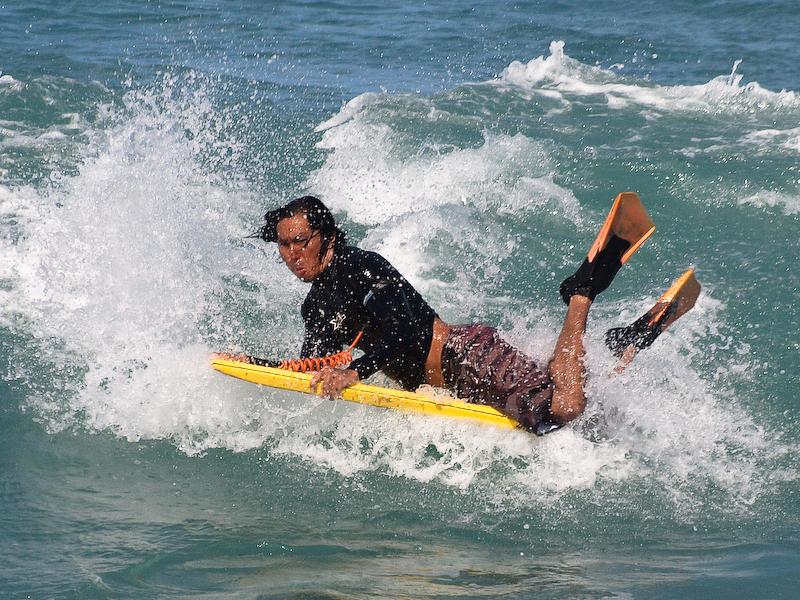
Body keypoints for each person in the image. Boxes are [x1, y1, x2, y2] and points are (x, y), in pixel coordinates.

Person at [218, 195, 629, 434]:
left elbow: (406, 329)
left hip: (463, 356)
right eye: (283, 245)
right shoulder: (317, 306)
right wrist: (254, 364)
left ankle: (581, 293)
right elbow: (309, 366)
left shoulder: (362, 267)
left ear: (326, 236)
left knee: (566, 411)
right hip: (445, 388)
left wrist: (355, 372)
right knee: (578, 414)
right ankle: (618, 350)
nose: (292, 255)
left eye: (300, 241)